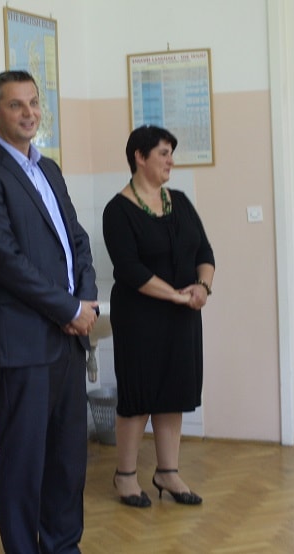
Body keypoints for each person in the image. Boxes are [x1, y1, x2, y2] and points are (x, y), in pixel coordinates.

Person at [0, 70, 98, 553]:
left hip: (69, 338)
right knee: (23, 462)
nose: (29, 113)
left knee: (68, 459)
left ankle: (63, 546)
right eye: (16, 105)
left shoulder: (49, 169)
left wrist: (85, 302)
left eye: (34, 103)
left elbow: (76, 240)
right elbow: (5, 261)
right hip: (24, 342)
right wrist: (68, 308)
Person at [102, 125, 214, 508]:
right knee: (138, 397)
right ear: (140, 157)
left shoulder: (179, 201)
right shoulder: (118, 210)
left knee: (173, 393)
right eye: (164, 153)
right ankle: (125, 476)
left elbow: (204, 252)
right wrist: (177, 295)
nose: (171, 161)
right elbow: (130, 269)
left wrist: (202, 287)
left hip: (183, 315)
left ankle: (168, 472)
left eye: (171, 153)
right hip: (140, 317)